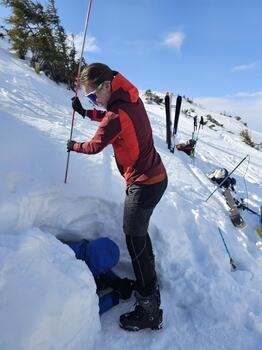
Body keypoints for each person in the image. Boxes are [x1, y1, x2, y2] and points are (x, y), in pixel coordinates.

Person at [67, 63, 168, 331]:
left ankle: (149, 310)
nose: (93, 101)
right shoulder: (130, 99)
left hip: (144, 183)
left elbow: (94, 145)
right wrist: (86, 112)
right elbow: (111, 118)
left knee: (134, 240)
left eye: (92, 96)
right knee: (139, 237)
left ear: (106, 86)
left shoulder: (116, 113)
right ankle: (151, 285)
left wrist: (73, 145)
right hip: (155, 178)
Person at [63, 237, 134, 315]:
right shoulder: (74, 278)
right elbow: (85, 312)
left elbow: (95, 259)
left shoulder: (78, 248)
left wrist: (115, 281)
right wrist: (115, 296)